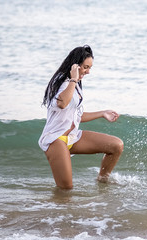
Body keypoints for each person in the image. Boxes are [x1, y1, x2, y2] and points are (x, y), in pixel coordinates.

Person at [39, 45, 124, 189]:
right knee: (66, 189)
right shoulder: (61, 81)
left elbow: (75, 116)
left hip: (73, 137)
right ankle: (54, 210)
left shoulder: (76, 85)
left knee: (116, 145)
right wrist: (73, 79)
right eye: (86, 67)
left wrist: (102, 113)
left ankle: (103, 181)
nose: (88, 71)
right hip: (55, 139)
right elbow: (62, 104)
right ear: (74, 65)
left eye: (90, 67)